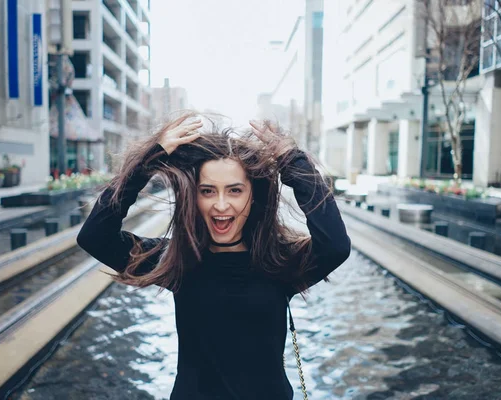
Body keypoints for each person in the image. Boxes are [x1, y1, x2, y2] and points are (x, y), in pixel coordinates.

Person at [76, 113, 351, 399]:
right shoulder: (178, 260)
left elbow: (336, 245)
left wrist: (292, 161)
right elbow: (95, 236)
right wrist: (149, 162)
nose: (221, 204)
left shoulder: (280, 263)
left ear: (252, 195)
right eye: (208, 191)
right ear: (194, 197)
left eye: (234, 190)